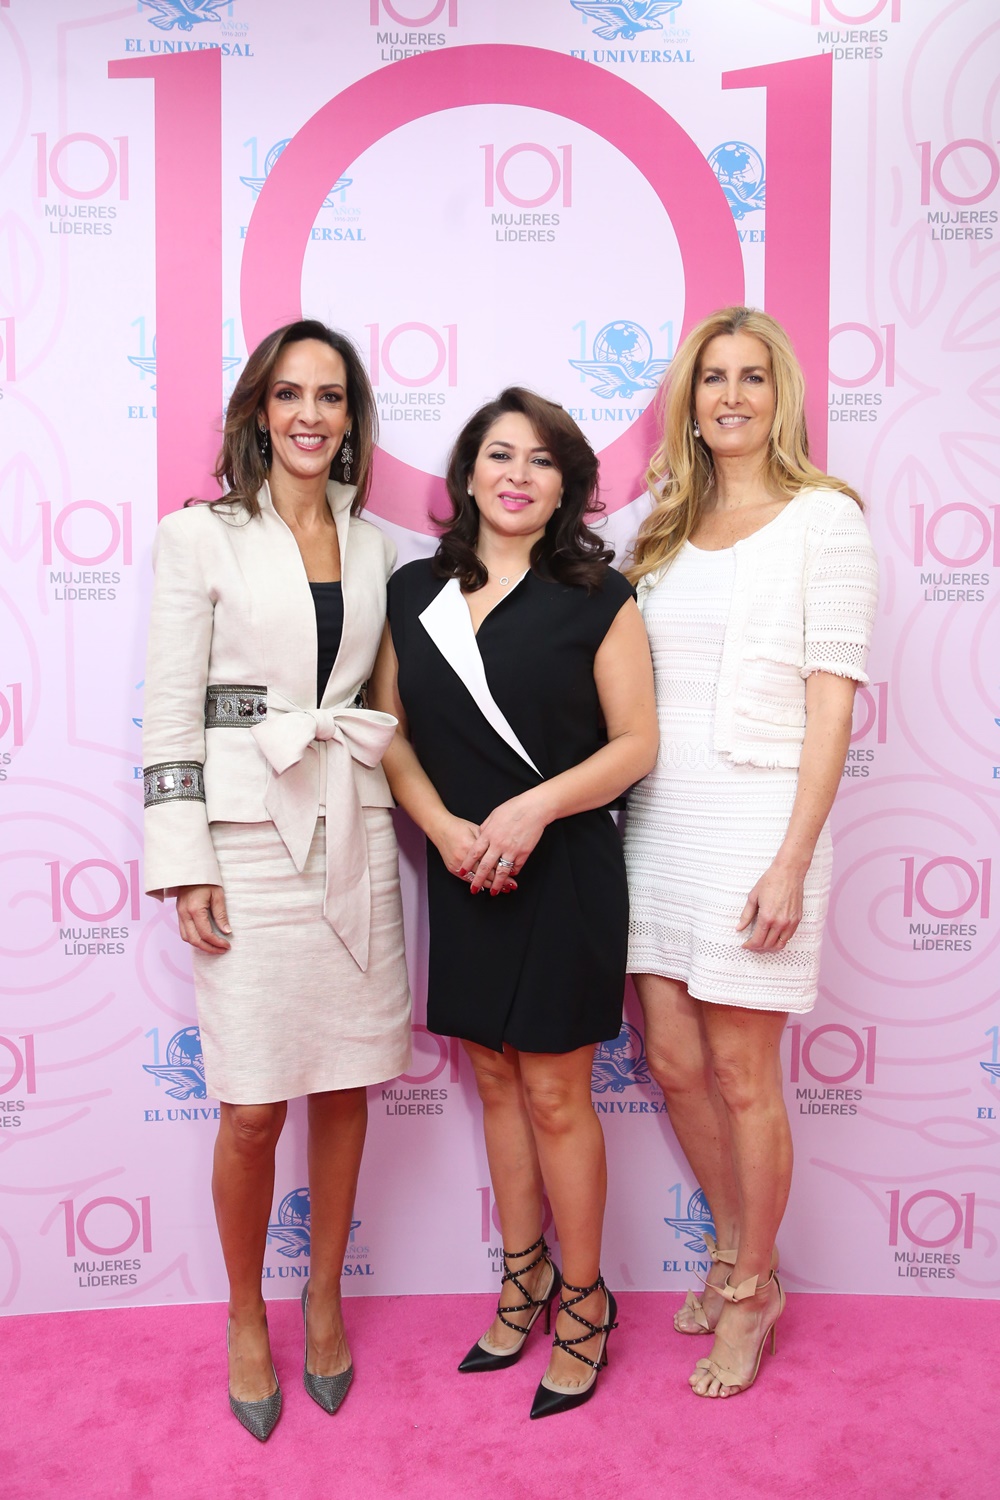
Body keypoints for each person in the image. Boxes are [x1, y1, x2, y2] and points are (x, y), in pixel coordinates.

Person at [142, 319, 411, 1440]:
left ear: (351, 420)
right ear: (260, 410)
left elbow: (388, 706)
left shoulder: (381, 543)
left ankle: (325, 1296)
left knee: (344, 1084)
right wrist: (183, 859)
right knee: (253, 1107)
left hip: (349, 830)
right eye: (291, 394)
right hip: (246, 837)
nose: (311, 415)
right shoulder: (199, 538)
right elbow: (171, 704)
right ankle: (247, 1314)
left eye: (332, 397)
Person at [370, 388, 657, 1419]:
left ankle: (584, 1303)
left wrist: (530, 808)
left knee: (553, 1095)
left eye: (541, 460)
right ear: (468, 475)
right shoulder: (414, 593)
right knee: (494, 1083)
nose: (517, 475)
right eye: (499, 455)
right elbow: (388, 729)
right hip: (463, 872)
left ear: (567, 484)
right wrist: (446, 829)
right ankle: (522, 1276)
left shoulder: (598, 596)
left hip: (565, 870)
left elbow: (634, 745)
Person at [624, 306, 878, 1398]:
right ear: (689, 399)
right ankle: (733, 1248)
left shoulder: (826, 522)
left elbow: (833, 709)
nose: (730, 395)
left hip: (758, 824)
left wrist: (789, 858)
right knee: (676, 1065)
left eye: (752, 378)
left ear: (782, 399)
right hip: (656, 823)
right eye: (711, 377)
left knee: (739, 1072)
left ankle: (751, 1288)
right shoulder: (659, 529)